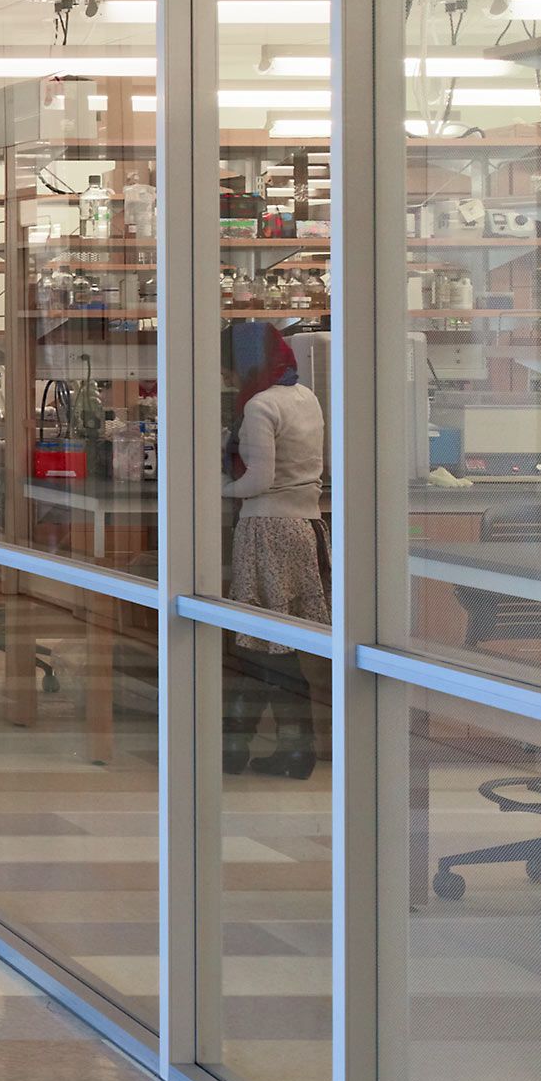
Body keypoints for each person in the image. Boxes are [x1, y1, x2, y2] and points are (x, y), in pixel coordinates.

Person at [219, 320, 329, 778]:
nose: (226, 378)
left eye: (229, 368)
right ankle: (292, 747)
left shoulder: (260, 405)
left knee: (258, 645)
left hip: (266, 527)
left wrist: (218, 488)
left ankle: (237, 744)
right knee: (283, 643)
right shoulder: (306, 397)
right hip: (305, 526)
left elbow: (258, 480)